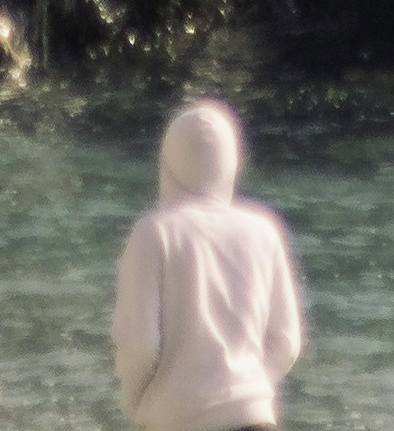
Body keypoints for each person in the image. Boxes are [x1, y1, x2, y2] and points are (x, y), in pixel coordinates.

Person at [111, 100, 304, 431]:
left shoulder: (155, 233)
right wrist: (246, 391)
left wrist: (138, 404)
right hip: (255, 418)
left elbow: (140, 345)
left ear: (168, 161)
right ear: (230, 163)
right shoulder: (263, 231)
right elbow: (286, 341)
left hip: (175, 420)